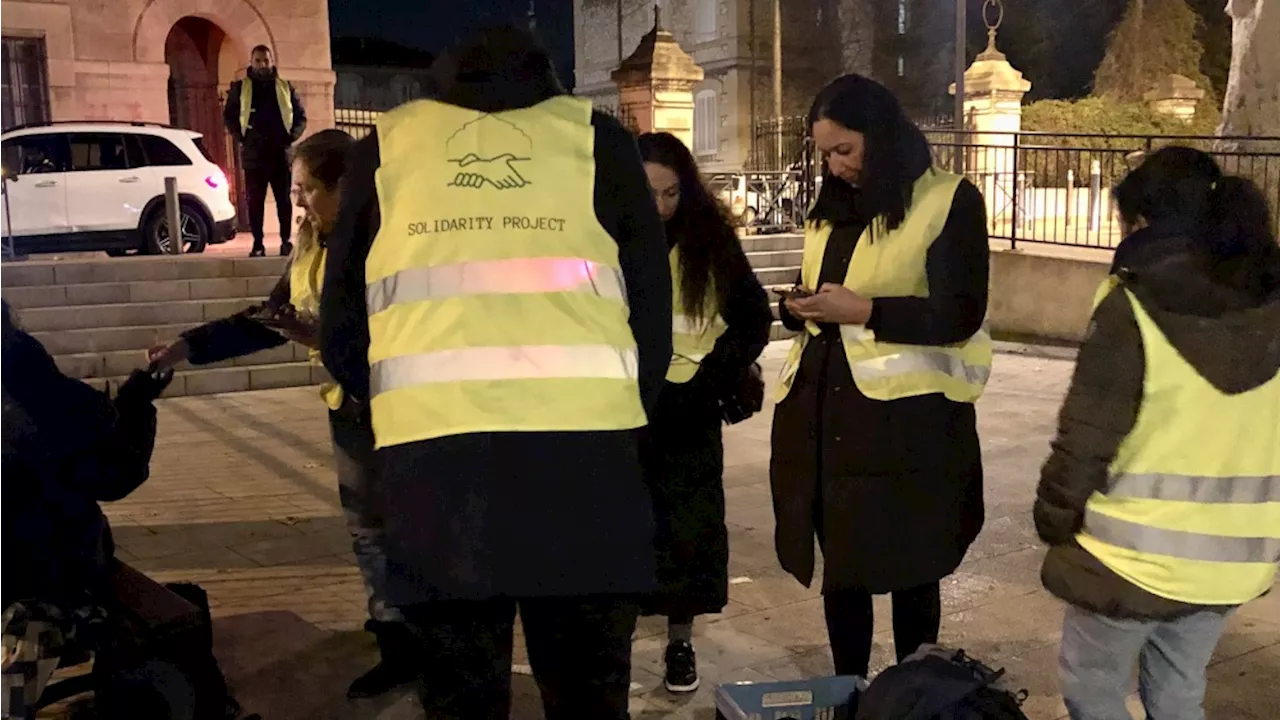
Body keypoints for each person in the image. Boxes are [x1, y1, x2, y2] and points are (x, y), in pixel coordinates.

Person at [319, 25, 672, 720]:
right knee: (587, 697)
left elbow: (340, 329)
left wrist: (405, 399)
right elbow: (653, 316)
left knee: (460, 697)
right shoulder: (597, 140)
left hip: (436, 474)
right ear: (543, 74)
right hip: (585, 472)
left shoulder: (385, 150)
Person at [144, 129, 417, 700]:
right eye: (294, 190)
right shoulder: (313, 244)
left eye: (306, 190)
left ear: (348, 186)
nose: (296, 202)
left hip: (401, 408)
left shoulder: (385, 244)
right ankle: (395, 636)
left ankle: (419, 640)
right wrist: (185, 346)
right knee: (368, 531)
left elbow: (405, 335)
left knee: (409, 530)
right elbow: (271, 315)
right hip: (350, 408)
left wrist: (320, 336)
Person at [1034, 146, 1280, 720]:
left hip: (1129, 558)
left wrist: (1054, 515)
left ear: (1142, 221)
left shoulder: (1133, 304)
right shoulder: (1272, 302)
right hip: (1234, 560)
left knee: (1093, 688)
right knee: (1178, 692)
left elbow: (1088, 434)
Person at [770, 74, 992, 679]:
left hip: (908, 432)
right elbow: (827, 297)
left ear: (883, 136)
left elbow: (960, 313)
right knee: (843, 574)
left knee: (911, 571)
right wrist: (801, 307)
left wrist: (864, 311)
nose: (833, 165)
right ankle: (851, 695)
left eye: (844, 149)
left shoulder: (949, 199)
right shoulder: (829, 213)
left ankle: (912, 692)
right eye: (824, 152)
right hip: (828, 422)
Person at [635, 132, 772, 693]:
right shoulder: (608, 241)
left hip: (687, 409)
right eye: (648, 193)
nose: (660, 206)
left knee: (688, 535)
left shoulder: (709, 241)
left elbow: (752, 318)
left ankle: (679, 641)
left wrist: (712, 380)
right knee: (628, 531)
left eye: (671, 193)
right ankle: (616, 637)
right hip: (625, 409)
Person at [223, 44, 308, 258]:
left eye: (266, 60)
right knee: (255, 201)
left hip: (280, 153)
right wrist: (242, 137)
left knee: (284, 200)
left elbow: (300, 116)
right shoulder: (240, 88)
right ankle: (257, 243)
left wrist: (291, 137)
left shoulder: (285, 87)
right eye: (258, 60)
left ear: (272, 61)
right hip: (254, 155)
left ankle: (285, 241)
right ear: (251, 62)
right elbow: (229, 116)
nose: (263, 64)